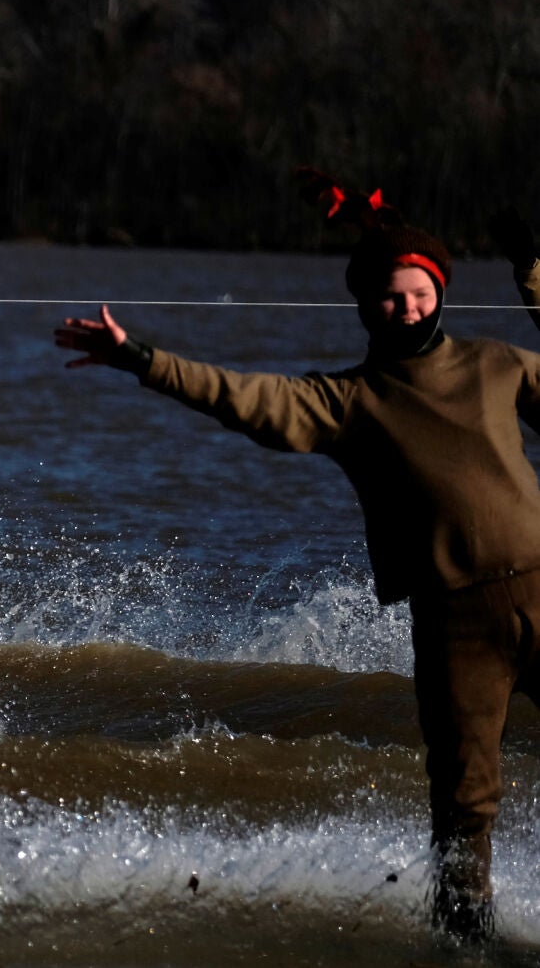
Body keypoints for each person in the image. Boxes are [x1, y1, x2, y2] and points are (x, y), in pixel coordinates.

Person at [54, 172, 540, 943]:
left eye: (419, 292)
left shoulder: (497, 364)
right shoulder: (347, 401)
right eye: (390, 296)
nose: (407, 306)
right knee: (464, 795)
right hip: (454, 622)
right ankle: (464, 934)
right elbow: (244, 397)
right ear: (364, 307)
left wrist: (536, 282)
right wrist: (140, 357)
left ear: (440, 292)